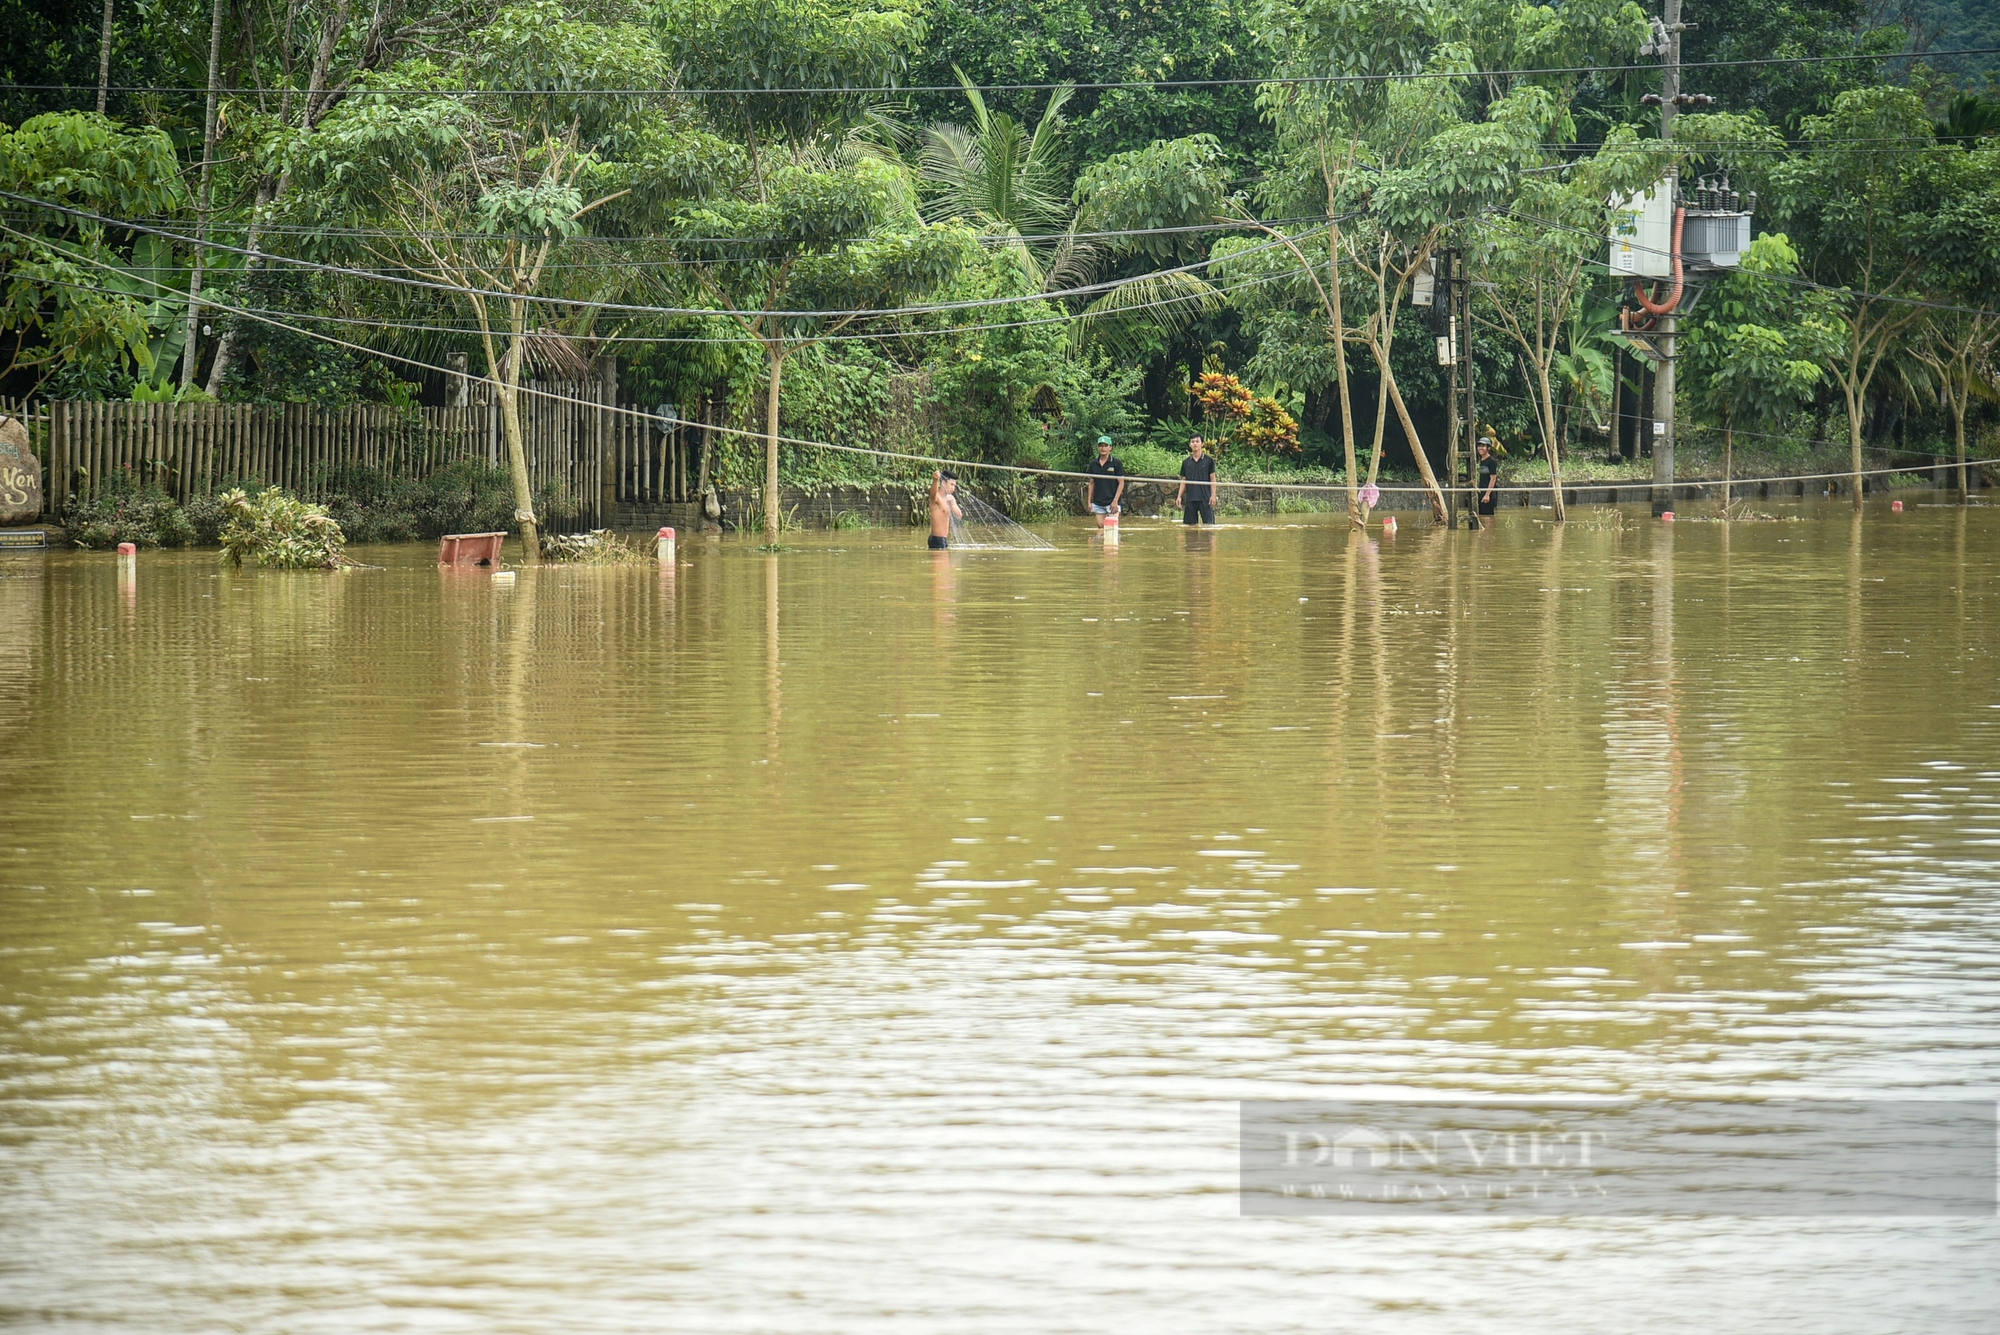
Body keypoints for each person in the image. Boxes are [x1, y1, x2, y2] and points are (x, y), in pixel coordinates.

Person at [1085, 435, 1126, 528]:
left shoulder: (1116, 463)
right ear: (1098, 447)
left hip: (1112, 501)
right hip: (1098, 502)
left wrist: (1115, 501)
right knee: (1101, 528)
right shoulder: (1093, 464)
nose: (1103, 448)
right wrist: (1089, 501)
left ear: (1110, 447)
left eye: (1105, 445)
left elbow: (1121, 483)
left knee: (1112, 528)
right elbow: (1091, 483)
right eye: (1101, 446)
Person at [1176, 435, 1217, 526]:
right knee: (1190, 529)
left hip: (1205, 499)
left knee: (1209, 527)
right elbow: (1184, 480)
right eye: (1193, 442)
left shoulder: (1209, 461)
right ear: (1190, 444)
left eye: (1197, 441)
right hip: (1191, 498)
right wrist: (1179, 496)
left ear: (1202, 444)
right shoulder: (1186, 462)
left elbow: (1213, 478)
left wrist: (1213, 495)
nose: (1195, 444)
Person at [928, 469, 961, 549]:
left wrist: (953, 504)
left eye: (954, 486)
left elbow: (959, 515)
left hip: (944, 539)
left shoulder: (950, 498)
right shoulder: (936, 498)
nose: (953, 488)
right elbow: (933, 493)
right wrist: (935, 480)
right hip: (937, 539)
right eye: (951, 485)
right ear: (943, 483)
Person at [1475, 437, 1500, 527]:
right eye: (1479, 446)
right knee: (1482, 517)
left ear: (1488, 448)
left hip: (1488, 494)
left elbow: (1493, 478)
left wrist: (1487, 494)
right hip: (1482, 492)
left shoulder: (1491, 462)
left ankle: (1488, 538)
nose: (1480, 448)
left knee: (1488, 518)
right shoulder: (1481, 461)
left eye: (1483, 446)